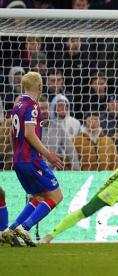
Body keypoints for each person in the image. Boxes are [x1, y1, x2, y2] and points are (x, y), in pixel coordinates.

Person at [1, 72, 64, 247]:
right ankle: (26, 227)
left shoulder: (17, 104)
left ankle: (12, 229)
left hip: (19, 159)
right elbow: (29, 133)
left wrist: (15, 156)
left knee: (37, 196)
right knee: (56, 195)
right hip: (31, 159)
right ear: (40, 86)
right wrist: (48, 154)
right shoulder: (32, 105)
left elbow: (13, 133)